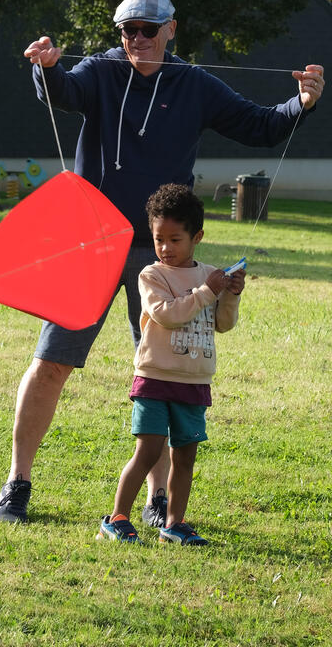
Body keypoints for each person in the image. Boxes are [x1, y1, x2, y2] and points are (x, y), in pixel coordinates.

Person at [0, 0, 324, 524]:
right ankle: (17, 483)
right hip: (95, 245)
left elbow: (259, 125)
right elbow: (64, 92)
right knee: (51, 362)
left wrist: (301, 103)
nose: (138, 39)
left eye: (149, 29)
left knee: (165, 375)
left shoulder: (194, 85)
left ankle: (158, 499)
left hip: (164, 255)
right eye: (129, 30)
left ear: (172, 29)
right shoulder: (101, 71)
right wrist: (48, 68)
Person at [97, 183, 242, 546]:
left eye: (175, 239)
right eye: (159, 239)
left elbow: (223, 324)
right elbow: (166, 314)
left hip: (194, 382)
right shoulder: (152, 276)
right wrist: (208, 291)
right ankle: (117, 518)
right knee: (148, 450)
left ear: (197, 237)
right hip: (155, 378)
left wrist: (231, 294)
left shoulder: (210, 275)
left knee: (186, 456)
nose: (165, 248)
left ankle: (174, 524)